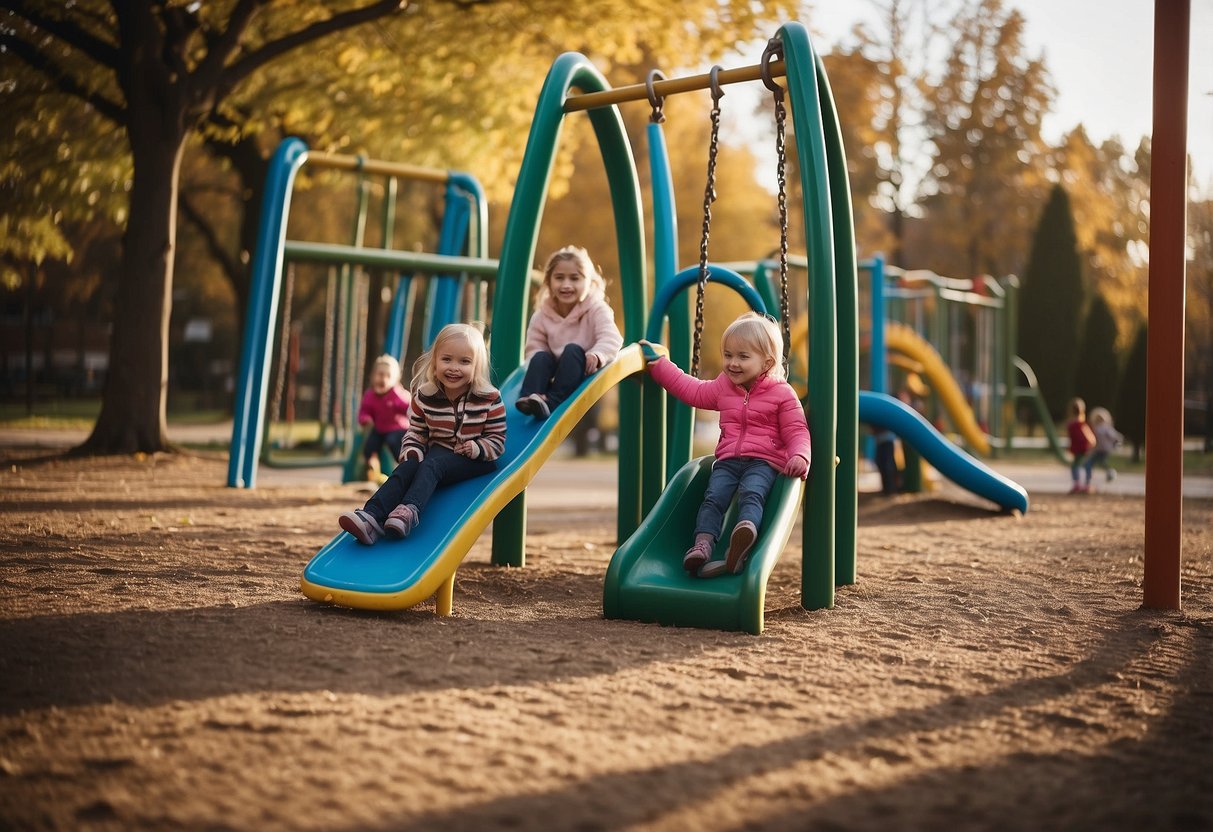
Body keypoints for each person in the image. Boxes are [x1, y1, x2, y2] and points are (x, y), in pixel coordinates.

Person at [640, 312, 811, 577]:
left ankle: (744, 534)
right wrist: (661, 366)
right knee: (713, 498)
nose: (732, 363)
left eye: (743, 357)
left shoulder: (782, 393)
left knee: (752, 493)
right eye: (728, 355)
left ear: (767, 362)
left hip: (763, 462)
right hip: (728, 461)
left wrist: (800, 455)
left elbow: (796, 429)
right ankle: (703, 545)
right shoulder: (723, 387)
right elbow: (691, 390)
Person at [338, 323, 506, 544]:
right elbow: (416, 431)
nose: (454, 367)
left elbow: (498, 439)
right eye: (447, 359)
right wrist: (412, 451)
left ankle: (408, 511)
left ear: (477, 366)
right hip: (438, 455)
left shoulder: (489, 399)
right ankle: (371, 517)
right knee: (409, 466)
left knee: (431, 465)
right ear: (435, 362)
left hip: (476, 460)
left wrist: (477, 448)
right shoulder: (425, 397)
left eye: (464, 361)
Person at [516, 245, 623, 419]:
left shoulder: (596, 308)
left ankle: (550, 403)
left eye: (575, 278)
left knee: (572, 349)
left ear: (589, 282)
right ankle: (529, 398)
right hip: (553, 375)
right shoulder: (542, 314)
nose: (566, 285)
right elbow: (534, 347)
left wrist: (597, 355)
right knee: (540, 356)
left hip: (581, 370)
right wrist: (540, 374)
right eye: (559, 278)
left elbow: (611, 337)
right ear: (549, 282)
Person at [356, 354, 412, 481]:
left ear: (395, 380)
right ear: (373, 376)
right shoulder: (370, 395)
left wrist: (402, 404)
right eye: (380, 374)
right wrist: (365, 419)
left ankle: (404, 465)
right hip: (379, 428)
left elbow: (409, 407)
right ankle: (372, 468)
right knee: (370, 445)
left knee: (393, 441)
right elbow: (364, 411)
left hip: (398, 428)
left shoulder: (396, 393)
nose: (383, 379)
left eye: (388, 376)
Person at [1065, 397, 1097, 494]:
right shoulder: (1080, 424)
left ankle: (1080, 484)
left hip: (1079, 449)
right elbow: (1090, 438)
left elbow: (1072, 437)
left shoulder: (1071, 424)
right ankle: (1084, 484)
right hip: (1082, 448)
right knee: (1083, 465)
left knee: (1077, 465)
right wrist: (1091, 444)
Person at [1087, 406, 1124, 485]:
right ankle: (1109, 472)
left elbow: (1116, 437)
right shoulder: (1099, 427)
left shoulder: (1104, 428)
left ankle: (1088, 480)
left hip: (1103, 450)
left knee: (1090, 463)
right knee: (1099, 463)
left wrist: (1116, 443)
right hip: (1100, 449)